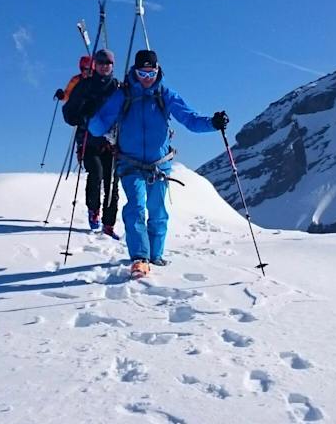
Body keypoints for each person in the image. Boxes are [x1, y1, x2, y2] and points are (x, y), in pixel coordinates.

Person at [88, 49, 229, 278]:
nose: (147, 79)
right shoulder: (122, 95)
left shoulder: (166, 95)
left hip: (159, 164)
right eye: (142, 74)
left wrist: (213, 123)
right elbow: (98, 125)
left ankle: (155, 255)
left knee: (158, 210)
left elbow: (190, 120)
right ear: (135, 71)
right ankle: (140, 258)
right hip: (129, 162)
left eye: (150, 73)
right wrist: (90, 116)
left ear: (157, 70)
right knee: (135, 208)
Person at [63, 49, 123, 237]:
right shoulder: (84, 86)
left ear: (113, 66)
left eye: (108, 63)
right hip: (88, 141)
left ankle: (109, 223)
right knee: (96, 174)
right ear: (95, 65)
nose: (104, 66)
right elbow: (69, 115)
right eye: (101, 63)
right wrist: (82, 110)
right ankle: (93, 210)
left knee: (112, 183)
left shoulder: (119, 88)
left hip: (112, 143)